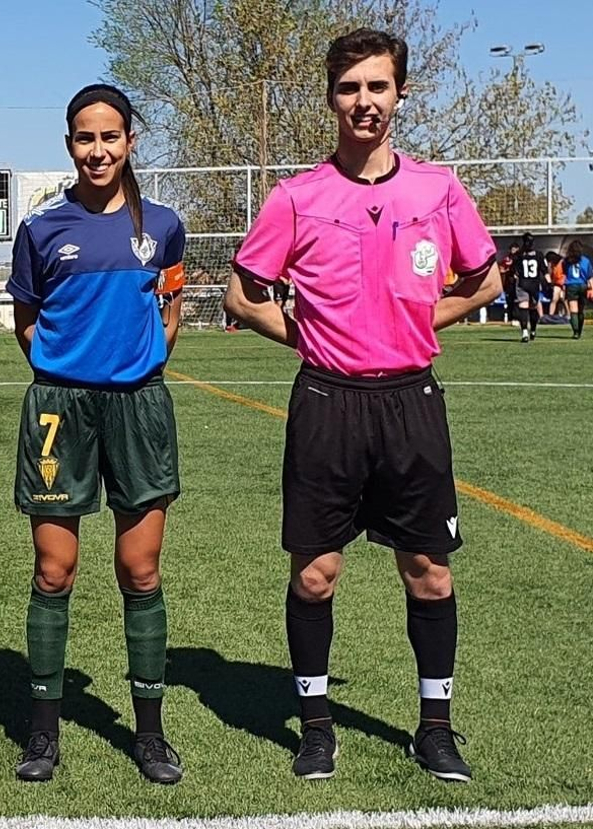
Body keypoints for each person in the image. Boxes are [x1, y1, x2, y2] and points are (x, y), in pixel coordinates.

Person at [224, 28, 501, 783]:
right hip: (326, 401)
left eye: (378, 87)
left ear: (401, 94)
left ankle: (435, 727)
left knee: (429, 572)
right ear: (330, 98)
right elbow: (242, 296)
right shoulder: (297, 196)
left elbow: (484, 281)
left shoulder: (438, 189)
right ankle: (316, 726)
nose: (364, 102)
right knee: (315, 575)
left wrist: (416, 322)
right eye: (349, 88)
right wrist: (313, 338)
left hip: (411, 401)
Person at [5, 84, 188, 786]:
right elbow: (27, 320)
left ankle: (149, 733)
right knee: (55, 570)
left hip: (139, 407)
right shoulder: (43, 229)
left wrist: (142, 362)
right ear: (69, 144)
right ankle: (43, 733)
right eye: (86, 137)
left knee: (140, 570)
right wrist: (64, 372)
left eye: (110, 136)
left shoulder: (165, 225)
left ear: (131, 141)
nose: (99, 149)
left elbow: (170, 305)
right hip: (60, 409)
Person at [513, 232, 546, 342]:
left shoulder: (519, 255)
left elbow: (515, 273)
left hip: (523, 283)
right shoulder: (539, 255)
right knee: (532, 308)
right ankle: (532, 330)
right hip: (534, 284)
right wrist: (549, 283)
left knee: (524, 307)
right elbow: (544, 271)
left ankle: (525, 333)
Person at [564, 240, 590, 339]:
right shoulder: (586, 260)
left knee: (573, 310)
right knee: (581, 310)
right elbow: (589, 275)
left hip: (571, 285)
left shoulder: (567, 261)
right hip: (583, 285)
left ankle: (576, 332)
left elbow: (565, 273)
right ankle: (580, 330)